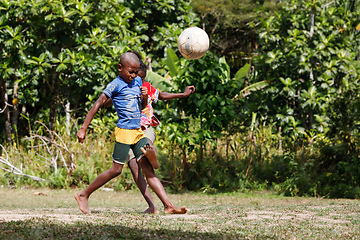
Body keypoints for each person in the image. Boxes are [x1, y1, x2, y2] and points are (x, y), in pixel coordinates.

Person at [75, 51, 155, 214]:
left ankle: (154, 205)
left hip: (137, 131)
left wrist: (145, 98)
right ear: (120, 68)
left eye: (135, 72)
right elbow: (98, 104)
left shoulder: (138, 81)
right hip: (124, 131)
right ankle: (83, 195)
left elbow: (141, 107)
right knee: (116, 170)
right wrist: (83, 128)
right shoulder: (115, 85)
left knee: (148, 160)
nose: (133, 75)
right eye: (130, 72)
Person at [125, 60, 195, 214]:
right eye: (137, 76)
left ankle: (151, 153)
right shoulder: (124, 88)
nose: (140, 81)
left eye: (143, 78)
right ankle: (152, 206)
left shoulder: (147, 87)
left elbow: (161, 95)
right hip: (129, 133)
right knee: (135, 169)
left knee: (146, 146)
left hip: (145, 128)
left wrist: (182, 94)